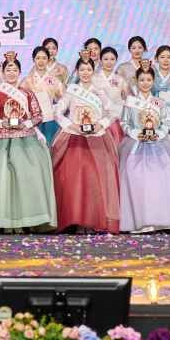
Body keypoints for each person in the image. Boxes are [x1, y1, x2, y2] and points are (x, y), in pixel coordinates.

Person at [0, 54, 57, 232]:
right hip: (1, 140)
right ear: (3, 72)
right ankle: (3, 222)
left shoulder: (27, 93)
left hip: (25, 139)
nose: (11, 72)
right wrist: (1, 123)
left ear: (20, 72)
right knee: (2, 180)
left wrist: (26, 124)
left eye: (15, 69)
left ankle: (26, 220)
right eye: (8, 69)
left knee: (27, 178)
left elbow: (38, 115)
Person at [52, 58, 120, 233]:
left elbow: (113, 111)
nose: (85, 73)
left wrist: (101, 124)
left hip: (97, 137)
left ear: (93, 71)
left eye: (88, 69)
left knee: (95, 178)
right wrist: (71, 125)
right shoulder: (72, 90)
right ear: (77, 71)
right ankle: (74, 219)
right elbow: (58, 111)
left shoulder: (100, 91)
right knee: (73, 178)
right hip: (75, 138)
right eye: (82, 69)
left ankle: (93, 219)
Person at [118, 63, 170, 233]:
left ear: (153, 81)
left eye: (148, 79)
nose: (145, 83)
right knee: (135, 177)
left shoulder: (159, 102)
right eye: (142, 80)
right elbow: (124, 123)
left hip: (158, 143)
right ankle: (140, 221)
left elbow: (166, 123)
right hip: (136, 143)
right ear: (136, 81)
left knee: (165, 175)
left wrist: (158, 134)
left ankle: (161, 220)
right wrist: (137, 134)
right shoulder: (131, 102)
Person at [20, 46, 64, 143]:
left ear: (48, 60)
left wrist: (56, 109)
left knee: (49, 144)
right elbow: (21, 101)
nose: (41, 61)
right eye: (38, 58)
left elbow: (63, 100)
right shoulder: (26, 81)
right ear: (33, 60)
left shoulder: (55, 80)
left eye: (44, 58)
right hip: (32, 121)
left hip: (50, 119)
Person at [93, 46, 129, 140]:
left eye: (112, 59)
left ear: (116, 60)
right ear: (100, 60)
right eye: (106, 59)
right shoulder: (93, 78)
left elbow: (127, 100)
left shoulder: (121, 80)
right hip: (97, 118)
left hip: (115, 118)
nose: (109, 62)